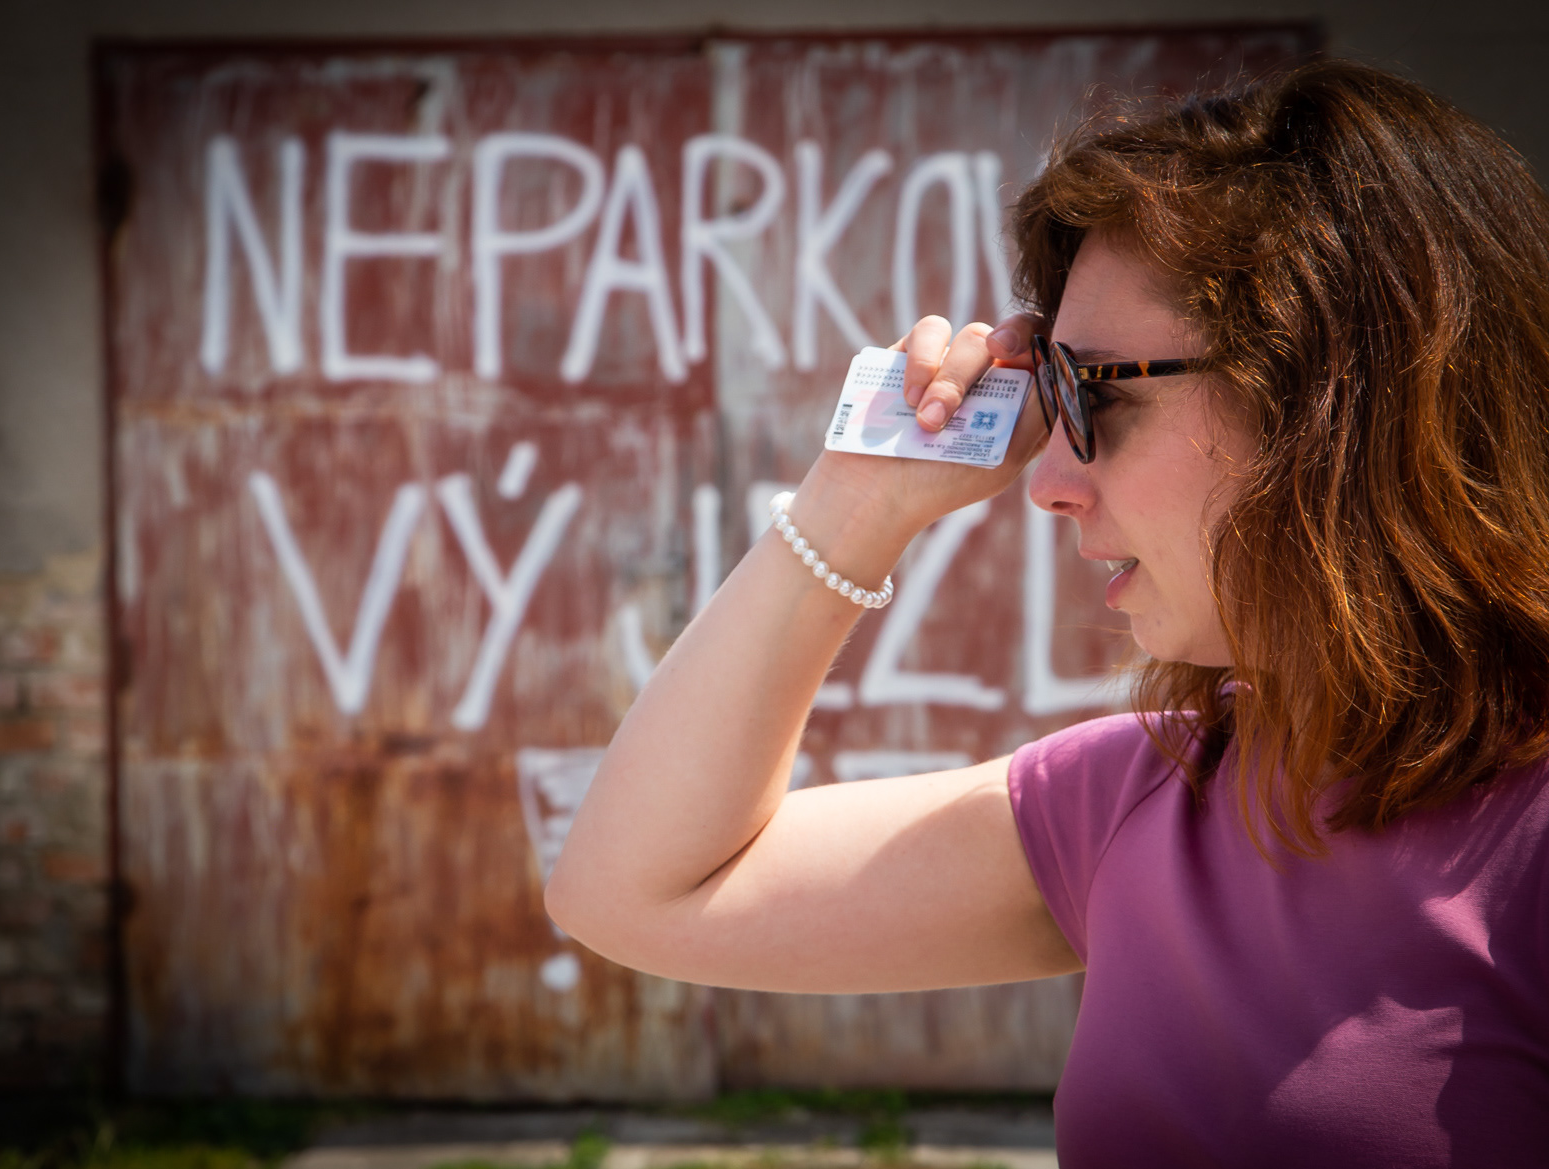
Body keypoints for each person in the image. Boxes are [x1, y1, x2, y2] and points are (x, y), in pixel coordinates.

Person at [545, 58, 1549, 1165]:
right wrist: (857, 501)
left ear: (1338, 398)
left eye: (1097, 393)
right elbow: (635, 891)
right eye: (1051, 392)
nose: (1047, 480)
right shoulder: (1142, 804)